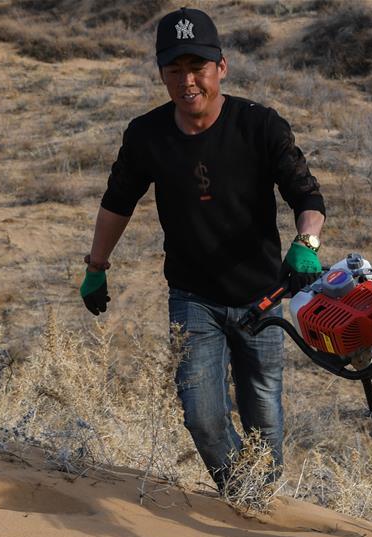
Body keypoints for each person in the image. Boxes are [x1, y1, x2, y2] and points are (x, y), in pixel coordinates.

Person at [79, 7, 325, 491]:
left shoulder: (260, 125)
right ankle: (247, 501)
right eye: (175, 70)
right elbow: (116, 204)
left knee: (265, 424)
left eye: (198, 68)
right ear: (162, 74)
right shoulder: (147, 134)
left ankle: (257, 496)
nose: (187, 81)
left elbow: (307, 196)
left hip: (264, 300)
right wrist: (96, 267)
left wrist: (307, 242)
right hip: (193, 298)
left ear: (222, 67)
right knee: (202, 416)